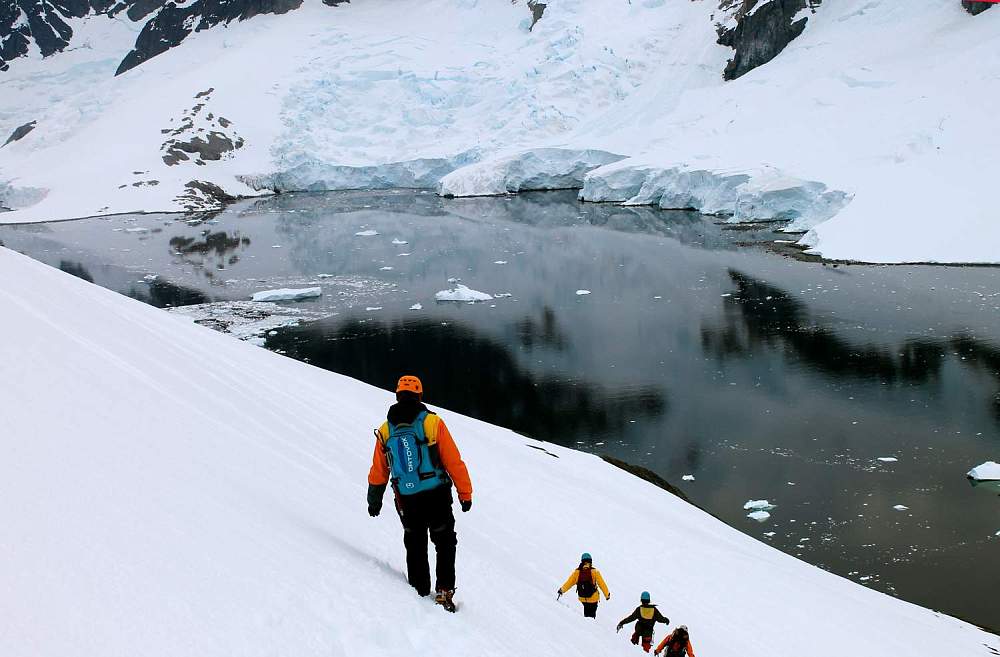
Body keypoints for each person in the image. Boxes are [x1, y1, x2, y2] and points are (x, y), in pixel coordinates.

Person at [367, 375, 473, 612]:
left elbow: (379, 470)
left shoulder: (385, 430)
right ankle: (444, 593)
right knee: (444, 541)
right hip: (437, 495)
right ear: (420, 395)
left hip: (406, 497)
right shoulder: (432, 424)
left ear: (397, 395)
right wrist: (465, 493)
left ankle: (418, 589)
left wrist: (374, 500)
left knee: (414, 542)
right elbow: (453, 461)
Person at [557, 552, 610, 617]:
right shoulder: (595, 572)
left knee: (586, 613)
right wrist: (607, 595)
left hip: (582, 598)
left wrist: (562, 590)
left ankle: (585, 623)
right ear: (590, 561)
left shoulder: (577, 572)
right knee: (591, 617)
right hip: (593, 598)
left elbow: (569, 583)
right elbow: (602, 584)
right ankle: (589, 624)